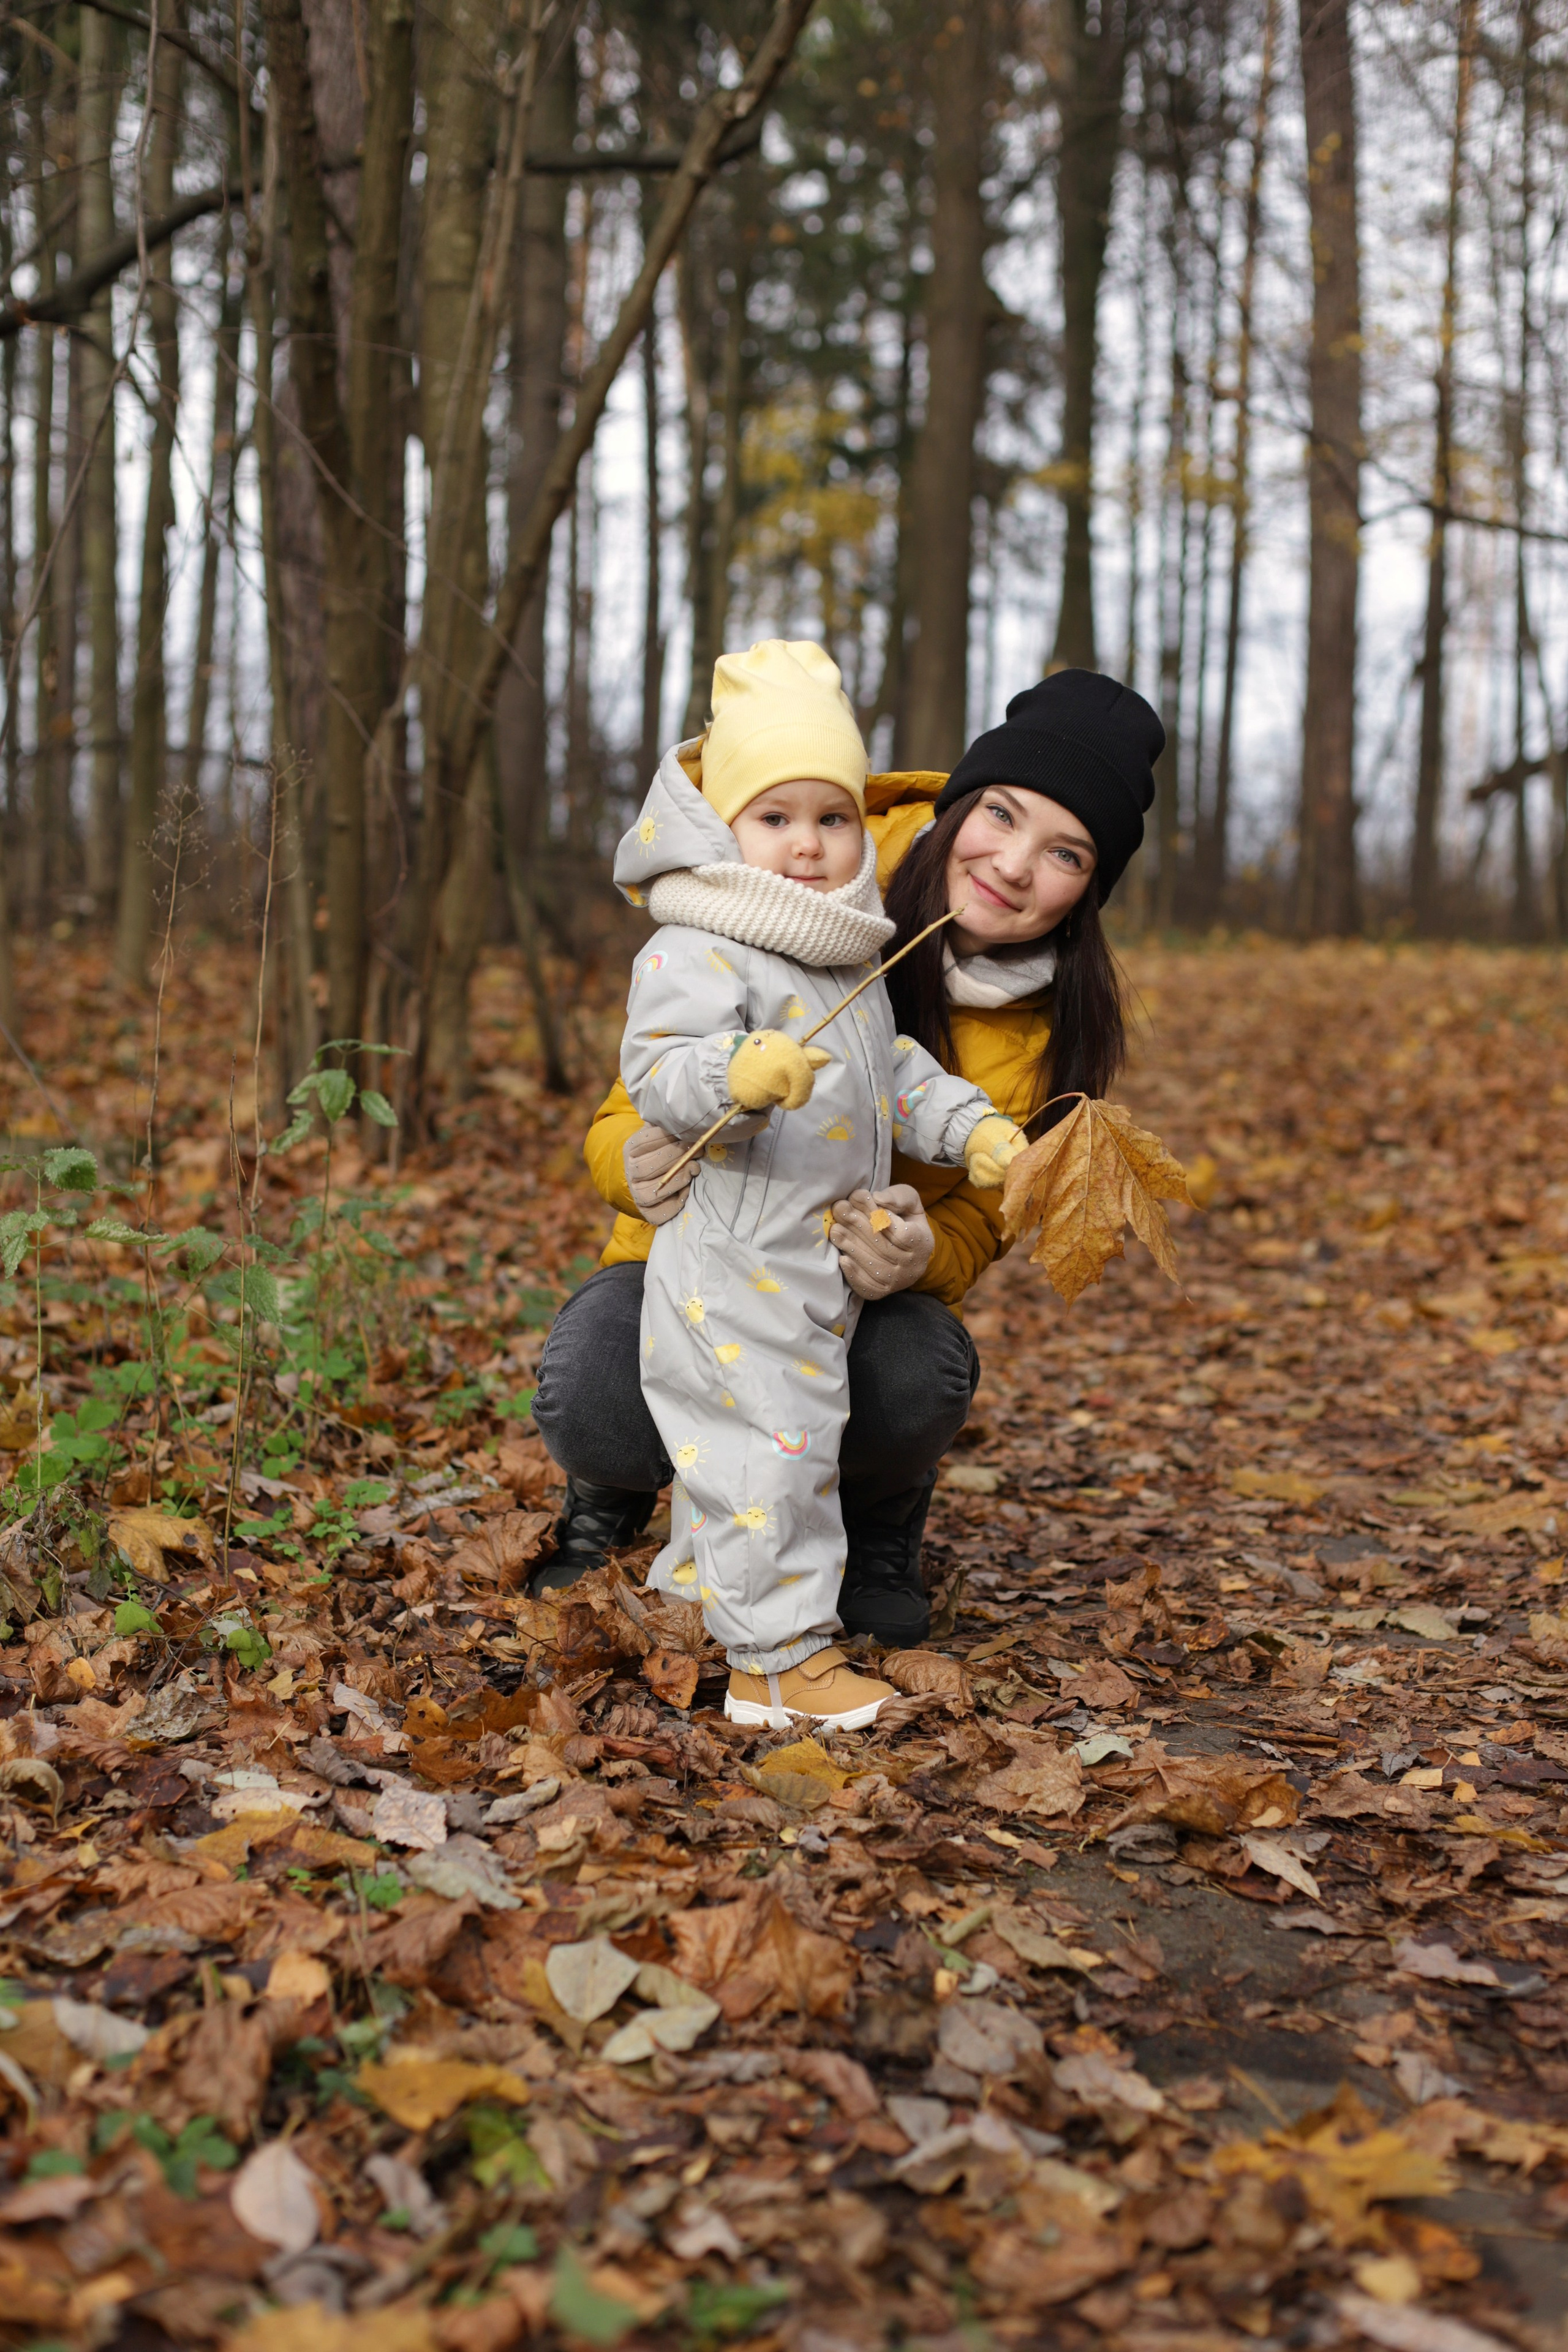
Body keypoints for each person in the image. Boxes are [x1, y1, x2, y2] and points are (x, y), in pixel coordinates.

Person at [534, 668, 1164, 1643]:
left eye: (1066, 853)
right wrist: (642, 1163)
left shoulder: (1055, 1037)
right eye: (1001, 813)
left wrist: (923, 1257)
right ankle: (609, 1500)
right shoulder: (808, 866)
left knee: (920, 1373)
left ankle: (871, 1522)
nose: (1014, 864)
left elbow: (984, 1219)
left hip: (851, 1295)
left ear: (1089, 889)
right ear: (958, 806)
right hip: (705, 1258)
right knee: (593, 1390)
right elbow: (636, 1095)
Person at [605, 641, 1026, 1729]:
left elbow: (891, 1075)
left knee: (772, 1448)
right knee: (768, 1452)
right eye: (776, 816)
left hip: (816, 1264)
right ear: (725, 829)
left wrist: (972, 1130)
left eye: (832, 818)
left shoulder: (847, 951)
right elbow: (656, 1070)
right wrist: (730, 1076)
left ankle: (702, 1604)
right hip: (738, 1258)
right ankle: (778, 1662)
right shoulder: (699, 942)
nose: (806, 843)